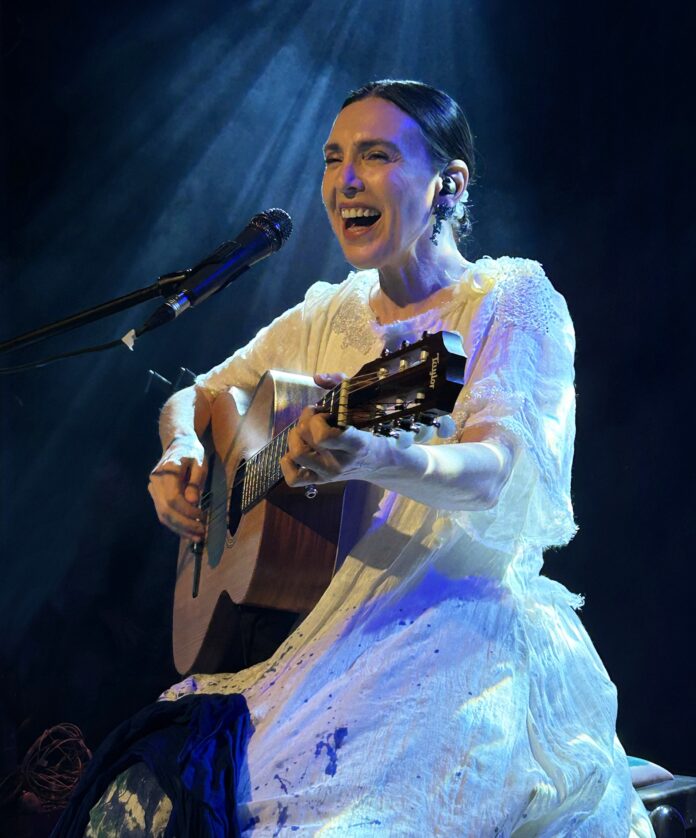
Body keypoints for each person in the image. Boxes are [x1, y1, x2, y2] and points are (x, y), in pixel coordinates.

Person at [82, 80, 654, 835]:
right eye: (333, 158)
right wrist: (181, 448)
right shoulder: (331, 310)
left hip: (452, 627)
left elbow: (496, 471)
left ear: (449, 184)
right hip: (319, 638)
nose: (344, 180)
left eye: (376, 156)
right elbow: (198, 394)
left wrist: (379, 459)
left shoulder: (511, 298)